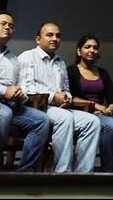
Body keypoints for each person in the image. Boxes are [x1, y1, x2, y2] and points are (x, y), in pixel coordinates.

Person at [0, 13, 52, 171]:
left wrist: (20, 94)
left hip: (11, 104)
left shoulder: (13, 59)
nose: (8, 27)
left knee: (42, 120)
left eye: (11, 26)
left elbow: (21, 86)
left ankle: (25, 171)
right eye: (3, 24)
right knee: (5, 113)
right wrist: (2, 91)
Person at [17, 22, 100, 173]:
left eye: (58, 36)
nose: (54, 38)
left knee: (92, 121)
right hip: (36, 107)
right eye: (49, 35)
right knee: (65, 117)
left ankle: (83, 174)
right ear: (38, 39)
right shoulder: (27, 57)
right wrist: (54, 96)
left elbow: (66, 90)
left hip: (57, 108)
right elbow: (26, 89)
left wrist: (66, 97)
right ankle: (62, 172)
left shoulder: (60, 62)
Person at [68, 34, 113, 171]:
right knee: (111, 125)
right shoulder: (72, 71)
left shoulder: (103, 73)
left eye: (95, 48)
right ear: (79, 51)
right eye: (87, 47)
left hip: (102, 113)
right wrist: (94, 105)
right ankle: (107, 171)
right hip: (82, 114)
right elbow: (70, 97)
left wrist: (108, 109)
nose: (92, 50)